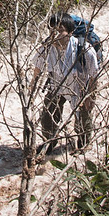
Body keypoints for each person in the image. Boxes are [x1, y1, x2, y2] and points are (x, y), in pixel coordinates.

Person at [33, 12, 99, 154]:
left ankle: (83, 143)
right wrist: (33, 84)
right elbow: (37, 65)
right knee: (48, 115)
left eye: (60, 30)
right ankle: (49, 142)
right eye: (53, 30)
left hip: (79, 86)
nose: (56, 34)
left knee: (83, 116)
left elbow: (94, 74)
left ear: (70, 31)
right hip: (56, 84)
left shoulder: (84, 49)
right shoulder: (47, 46)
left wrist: (90, 96)